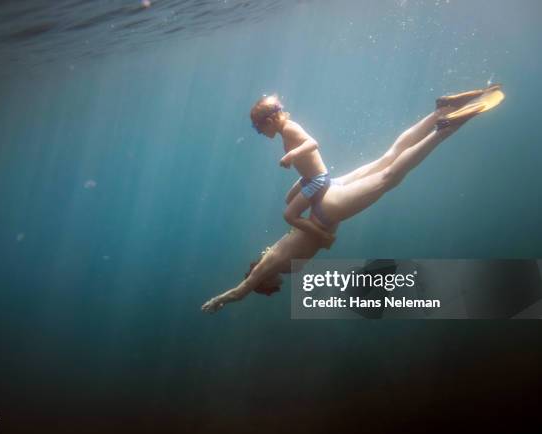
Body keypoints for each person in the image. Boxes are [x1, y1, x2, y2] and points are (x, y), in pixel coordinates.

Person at [202, 84, 505, 313]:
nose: (274, 287)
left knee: (389, 177)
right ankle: (439, 112)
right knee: (386, 160)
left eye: (268, 287)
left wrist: (218, 301)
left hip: (328, 210)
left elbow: (241, 290)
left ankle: (444, 127)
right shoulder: (273, 257)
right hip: (326, 192)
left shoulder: (266, 268)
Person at [250, 94, 335, 248]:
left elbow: (313, 143)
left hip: (318, 179)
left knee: (288, 216)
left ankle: (324, 236)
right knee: (289, 199)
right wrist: (293, 159)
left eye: (259, 129)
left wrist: (291, 155)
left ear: (269, 122)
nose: (261, 133)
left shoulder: (289, 129)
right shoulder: (285, 130)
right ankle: (310, 221)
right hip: (308, 178)